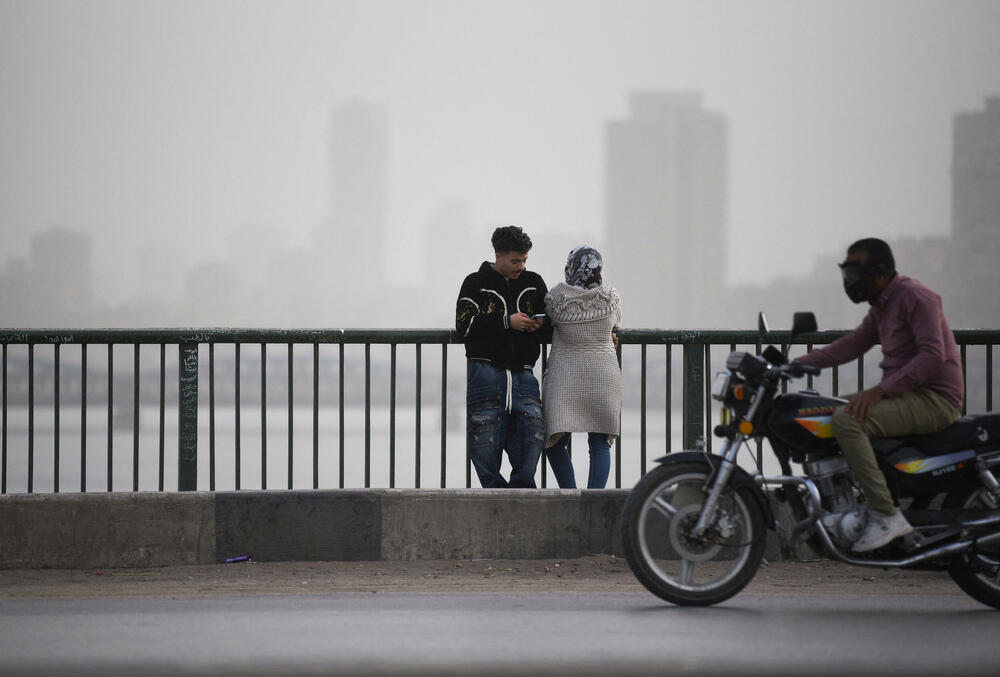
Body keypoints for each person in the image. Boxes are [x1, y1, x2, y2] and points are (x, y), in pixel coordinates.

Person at [796, 238, 964, 552]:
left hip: (934, 398)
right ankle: (838, 510)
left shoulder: (915, 297)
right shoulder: (882, 307)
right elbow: (849, 346)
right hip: (906, 395)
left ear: (881, 272)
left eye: (855, 273)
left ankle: (885, 514)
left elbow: (932, 356)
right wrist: (788, 365)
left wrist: (879, 392)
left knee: (847, 420)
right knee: (816, 415)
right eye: (847, 274)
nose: (851, 282)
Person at [455, 225, 549, 488]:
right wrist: (506, 322)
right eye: (515, 261)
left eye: (525, 260)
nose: (521, 266)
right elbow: (464, 325)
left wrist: (540, 324)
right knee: (484, 451)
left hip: (525, 376)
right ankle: (495, 503)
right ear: (498, 255)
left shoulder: (535, 283)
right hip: (485, 376)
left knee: (531, 444)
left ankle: (521, 503)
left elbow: (552, 319)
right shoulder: (475, 283)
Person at [542, 246, 623, 489]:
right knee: (599, 442)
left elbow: (547, 321)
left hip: (565, 377)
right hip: (604, 375)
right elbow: (616, 323)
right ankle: (594, 499)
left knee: (554, 441)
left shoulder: (556, 299)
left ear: (571, 267)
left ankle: (569, 494)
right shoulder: (611, 298)